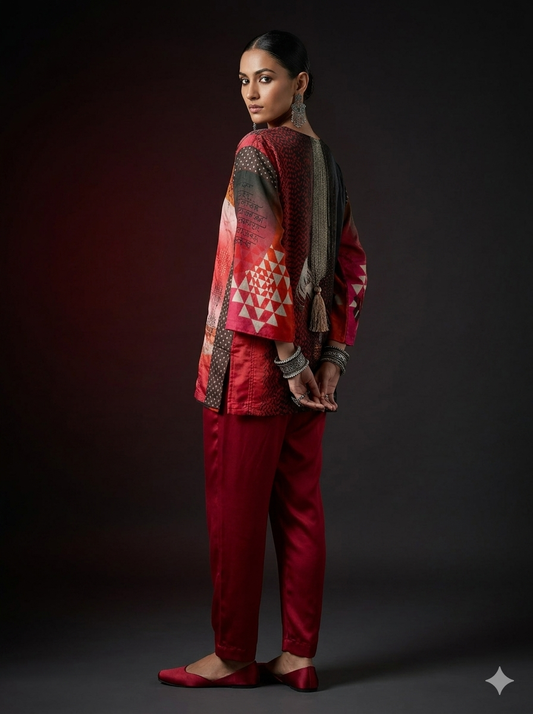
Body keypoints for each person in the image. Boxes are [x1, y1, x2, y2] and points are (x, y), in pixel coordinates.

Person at [158, 29, 367, 693]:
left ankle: (232, 657)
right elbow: (352, 264)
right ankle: (299, 656)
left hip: (252, 371)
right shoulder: (326, 161)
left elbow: (258, 257)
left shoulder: (256, 151)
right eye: (244, 80)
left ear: (299, 83)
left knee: (235, 517)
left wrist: (286, 360)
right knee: (301, 510)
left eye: (266, 77)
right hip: (309, 370)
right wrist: (330, 357)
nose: (251, 93)